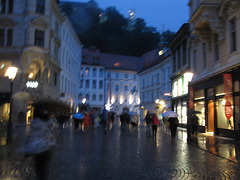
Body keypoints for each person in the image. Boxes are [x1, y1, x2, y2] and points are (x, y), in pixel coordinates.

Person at [24, 103, 57, 180]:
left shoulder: (34, 122)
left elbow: (31, 135)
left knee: (39, 168)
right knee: (44, 169)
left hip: (37, 149)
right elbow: (47, 135)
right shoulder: (46, 122)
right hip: (44, 148)